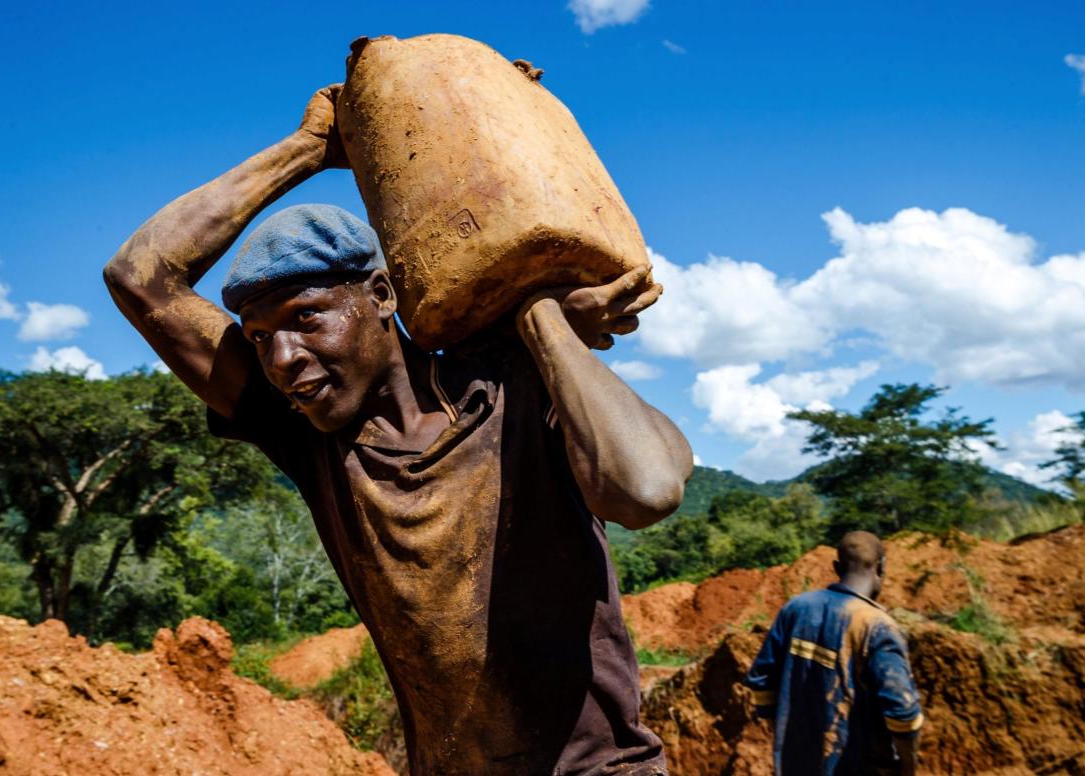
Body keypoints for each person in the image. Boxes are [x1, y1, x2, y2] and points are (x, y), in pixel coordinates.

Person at [103, 84, 694, 776]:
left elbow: (645, 490)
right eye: (259, 338)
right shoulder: (312, 435)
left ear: (381, 296)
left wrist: (541, 321)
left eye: (305, 318)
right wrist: (309, 151)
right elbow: (140, 277)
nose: (282, 359)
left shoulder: (510, 390)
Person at [745, 531, 924, 776]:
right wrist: (908, 767)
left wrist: (787, 739)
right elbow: (903, 714)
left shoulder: (796, 609)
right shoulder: (877, 627)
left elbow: (761, 683)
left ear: (836, 567)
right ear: (882, 568)